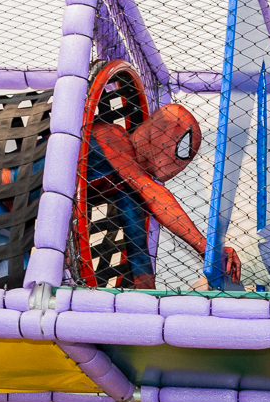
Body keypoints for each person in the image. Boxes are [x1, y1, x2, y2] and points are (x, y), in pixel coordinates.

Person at [87, 103, 241, 289]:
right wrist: (208, 250)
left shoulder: (128, 183)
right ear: (156, 136)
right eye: (180, 147)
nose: (180, 164)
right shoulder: (112, 135)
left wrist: (151, 304)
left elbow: (138, 253)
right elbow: (154, 193)